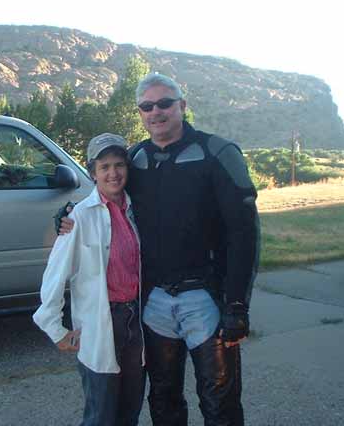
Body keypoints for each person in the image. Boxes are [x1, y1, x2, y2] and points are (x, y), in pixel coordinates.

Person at [60, 73, 259, 426]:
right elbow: (107, 195)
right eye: (147, 106)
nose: (156, 112)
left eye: (164, 103)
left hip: (206, 299)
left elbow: (244, 232)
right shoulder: (136, 158)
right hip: (155, 302)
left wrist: (237, 304)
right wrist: (68, 215)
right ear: (140, 112)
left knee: (220, 402)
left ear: (182, 105)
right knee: (163, 398)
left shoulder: (217, 153)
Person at [34, 133, 145, 426]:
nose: (113, 173)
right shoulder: (79, 217)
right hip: (101, 322)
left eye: (119, 165)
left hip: (136, 322)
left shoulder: (137, 210)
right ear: (93, 172)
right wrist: (55, 328)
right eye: (104, 166)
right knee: (101, 414)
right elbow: (55, 273)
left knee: (130, 410)